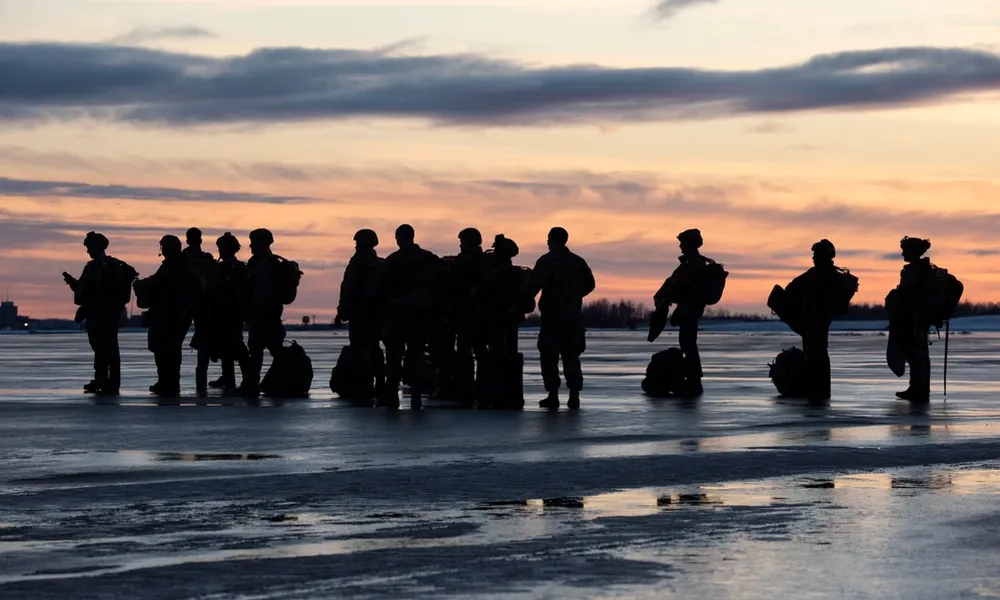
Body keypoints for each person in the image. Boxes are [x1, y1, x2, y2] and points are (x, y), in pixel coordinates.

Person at [524, 227, 596, 410]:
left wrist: (522, 300)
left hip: (552, 317)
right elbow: (590, 284)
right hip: (572, 317)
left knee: (549, 357)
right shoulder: (578, 262)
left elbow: (533, 285)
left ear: (552, 240)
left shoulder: (547, 261)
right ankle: (574, 395)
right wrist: (574, 296)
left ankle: (553, 395)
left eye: (548, 239)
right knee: (571, 356)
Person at [62, 232, 136, 396]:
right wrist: (72, 283)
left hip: (107, 314)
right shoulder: (91, 267)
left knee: (109, 347)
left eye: (90, 247)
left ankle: (112, 381)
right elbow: (84, 290)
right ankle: (101, 378)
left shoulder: (112, 266)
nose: (88, 251)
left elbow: (109, 292)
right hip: (94, 314)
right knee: (99, 348)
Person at [379, 224, 441, 409]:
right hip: (420, 315)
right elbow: (440, 285)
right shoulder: (428, 259)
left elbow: (381, 288)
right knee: (417, 355)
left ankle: (392, 393)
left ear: (399, 238)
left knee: (394, 356)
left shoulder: (392, 261)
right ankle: (415, 394)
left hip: (398, 315)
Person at [783, 240, 849, 402]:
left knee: (814, 354)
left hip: (814, 319)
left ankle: (817, 391)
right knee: (819, 353)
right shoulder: (833, 274)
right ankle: (821, 390)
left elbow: (791, 288)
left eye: (815, 254)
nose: (813, 257)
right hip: (821, 319)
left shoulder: (817, 274)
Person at [134, 235, 197, 397]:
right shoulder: (179, 264)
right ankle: (168, 381)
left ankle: (168, 382)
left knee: (165, 349)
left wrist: (141, 284)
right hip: (173, 315)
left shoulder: (175, 266)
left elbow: (159, 282)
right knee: (168, 349)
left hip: (170, 315)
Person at [654, 229, 713, 397]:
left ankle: (694, 381)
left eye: (683, 243)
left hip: (690, 308)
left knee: (688, 344)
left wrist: (668, 296)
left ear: (690, 244)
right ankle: (693, 380)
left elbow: (682, 284)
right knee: (687, 343)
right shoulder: (690, 263)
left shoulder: (694, 264)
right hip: (688, 307)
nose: (680, 246)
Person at [335, 229, 386, 399]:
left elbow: (348, 288)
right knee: (374, 348)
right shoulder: (380, 264)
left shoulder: (357, 264)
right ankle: (380, 383)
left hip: (360, 315)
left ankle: (365, 384)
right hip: (377, 315)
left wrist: (342, 310)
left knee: (361, 349)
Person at [198, 232, 250, 393]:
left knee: (237, 348)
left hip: (231, 313)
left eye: (221, 247)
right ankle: (229, 378)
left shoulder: (236, 268)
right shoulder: (221, 268)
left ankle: (248, 380)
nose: (219, 250)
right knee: (226, 348)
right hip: (220, 314)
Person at [888, 237, 936, 403]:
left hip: (914, 318)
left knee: (916, 355)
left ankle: (918, 390)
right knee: (920, 355)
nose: (902, 254)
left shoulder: (916, 271)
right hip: (918, 318)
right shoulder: (924, 269)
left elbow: (908, 295)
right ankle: (920, 389)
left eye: (905, 250)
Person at [242, 228, 287, 398]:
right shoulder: (272, 262)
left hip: (264, 316)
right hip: (271, 315)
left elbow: (262, 292)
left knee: (258, 352)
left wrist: (255, 316)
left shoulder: (261, 264)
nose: (250, 245)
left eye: (253, 241)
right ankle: (265, 383)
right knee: (272, 351)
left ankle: (252, 385)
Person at [449, 227, 489, 403]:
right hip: (482, 315)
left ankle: (466, 388)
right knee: (481, 352)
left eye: (462, 241)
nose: (460, 245)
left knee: (465, 353)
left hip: (467, 313)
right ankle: (484, 386)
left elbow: (453, 285)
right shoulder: (486, 261)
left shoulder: (464, 262)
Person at [183, 227, 218, 394]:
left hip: (194, 306)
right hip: (204, 307)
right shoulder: (206, 260)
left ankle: (200, 383)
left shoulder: (184, 259)